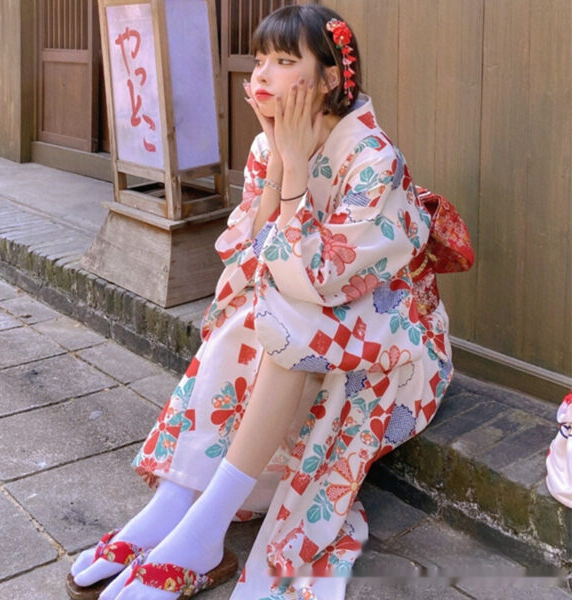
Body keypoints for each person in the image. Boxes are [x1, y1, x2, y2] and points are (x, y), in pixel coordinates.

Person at [67, 4, 469, 599]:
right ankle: (170, 510)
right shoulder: (266, 146)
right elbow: (252, 260)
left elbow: (319, 279)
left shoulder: (374, 159)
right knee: (250, 322)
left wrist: (298, 167)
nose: (262, 74)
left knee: (286, 326)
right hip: (317, 315)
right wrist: (282, 157)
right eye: (260, 60)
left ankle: (201, 532)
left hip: (395, 332)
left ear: (329, 77)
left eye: (283, 60)